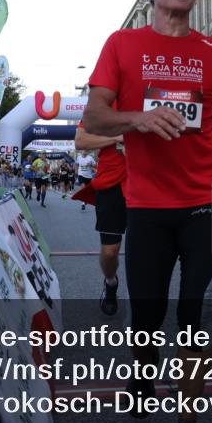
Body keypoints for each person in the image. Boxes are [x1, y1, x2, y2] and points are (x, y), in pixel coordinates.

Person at [83, 0, 212, 423]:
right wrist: (137, 118)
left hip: (205, 199)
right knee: (147, 313)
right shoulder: (123, 44)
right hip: (147, 204)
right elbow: (95, 116)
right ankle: (141, 371)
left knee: (195, 315)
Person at [72, 122, 128, 316]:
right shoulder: (103, 103)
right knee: (110, 251)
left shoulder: (153, 97)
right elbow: (81, 141)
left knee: (146, 250)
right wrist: (117, 138)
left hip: (147, 182)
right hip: (112, 185)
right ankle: (110, 282)